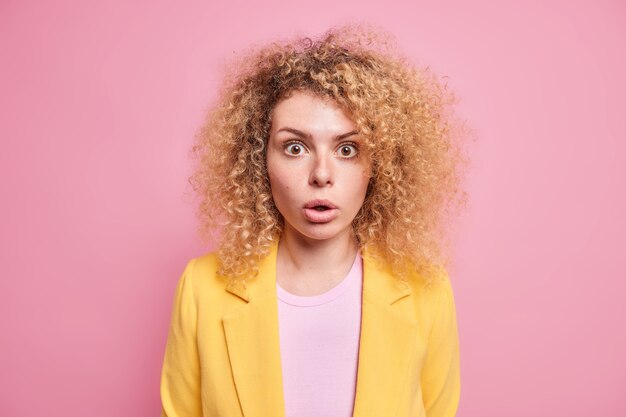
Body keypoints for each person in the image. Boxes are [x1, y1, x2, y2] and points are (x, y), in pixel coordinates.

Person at [160, 25, 468, 417]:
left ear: (380, 164)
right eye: (295, 147)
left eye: (347, 148)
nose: (322, 174)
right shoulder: (201, 288)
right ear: (259, 160)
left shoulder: (426, 288)